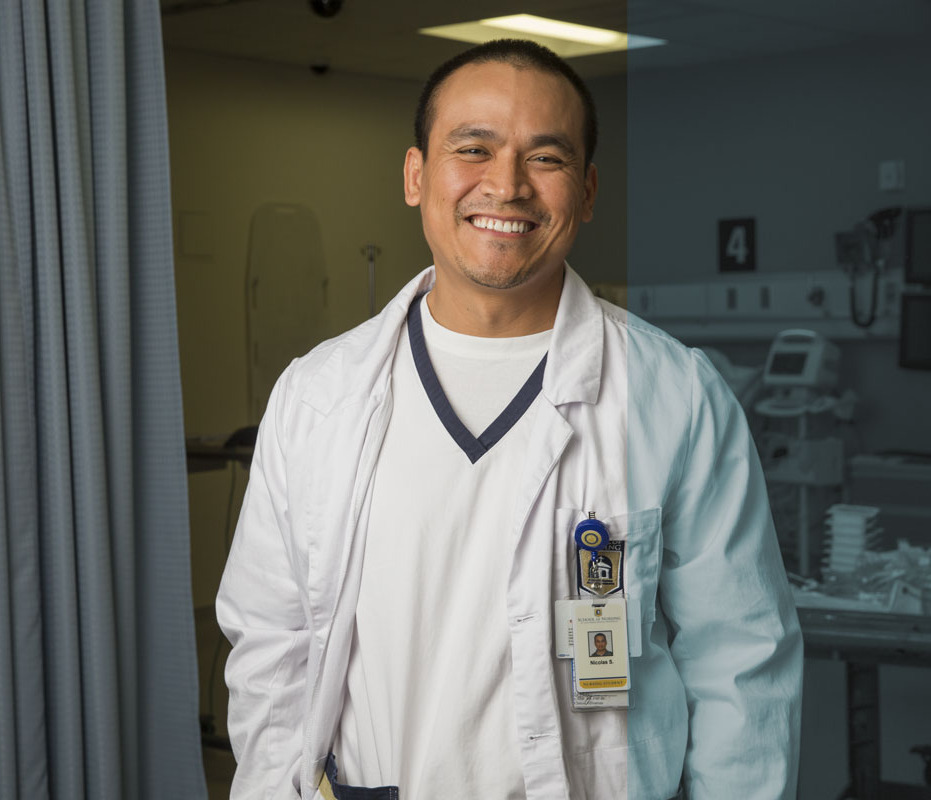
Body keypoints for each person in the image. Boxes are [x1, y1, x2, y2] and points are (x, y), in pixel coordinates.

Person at [217, 38, 802, 800]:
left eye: (547, 159)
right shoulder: (317, 396)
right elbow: (272, 647)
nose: (507, 186)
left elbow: (741, 668)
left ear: (587, 192)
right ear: (415, 175)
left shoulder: (675, 396)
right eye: (474, 148)